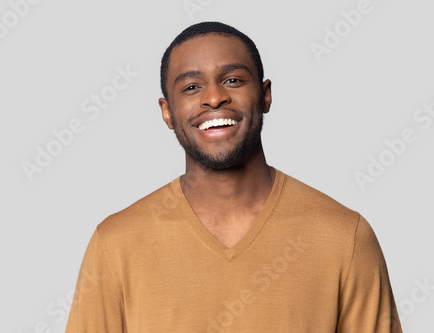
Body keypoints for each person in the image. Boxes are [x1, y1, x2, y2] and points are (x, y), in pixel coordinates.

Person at [66, 21, 403, 332]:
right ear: (167, 112)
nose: (214, 98)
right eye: (191, 87)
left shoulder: (345, 236)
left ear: (265, 94)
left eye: (232, 80)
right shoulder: (115, 243)